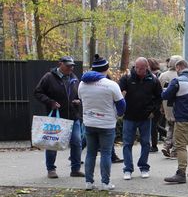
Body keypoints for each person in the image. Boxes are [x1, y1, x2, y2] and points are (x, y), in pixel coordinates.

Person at [78, 57, 126, 190]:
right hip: (107, 124)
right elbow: (121, 105)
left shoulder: (82, 84)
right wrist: (117, 114)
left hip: (89, 123)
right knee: (105, 153)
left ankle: (89, 182)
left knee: (90, 153)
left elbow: (81, 99)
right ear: (106, 69)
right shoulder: (111, 85)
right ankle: (105, 183)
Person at [33, 56, 84, 179]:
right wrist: (50, 102)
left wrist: (79, 100)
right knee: (52, 143)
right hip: (56, 118)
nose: (70, 68)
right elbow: (38, 92)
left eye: (72, 66)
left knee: (77, 142)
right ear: (60, 64)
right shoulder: (48, 77)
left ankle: (75, 169)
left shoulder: (73, 77)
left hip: (73, 117)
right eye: (68, 66)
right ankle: (51, 169)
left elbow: (79, 94)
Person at [118, 57, 162, 180]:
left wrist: (153, 111)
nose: (139, 70)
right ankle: (128, 169)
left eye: (141, 68)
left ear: (147, 67)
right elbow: (116, 91)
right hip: (129, 116)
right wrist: (120, 105)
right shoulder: (127, 78)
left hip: (145, 117)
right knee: (127, 143)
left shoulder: (153, 80)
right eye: (137, 68)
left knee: (145, 143)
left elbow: (159, 97)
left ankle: (144, 167)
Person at [161, 59, 188, 184]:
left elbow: (165, 96)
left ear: (178, 67)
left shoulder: (177, 81)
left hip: (183, 119)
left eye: (175, 68)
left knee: (180, 146)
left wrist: (164, 89)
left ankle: (181, 173)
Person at [160, 56, 180, 158]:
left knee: (170, 125)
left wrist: (161, 107)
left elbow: (159, 92)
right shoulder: (180, 75)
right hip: (178, 104)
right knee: (178, 128)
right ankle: (174, 150)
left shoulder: (162, 75)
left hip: (165, 104)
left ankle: (166, 145)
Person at [147, 58, 165, 152]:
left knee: (154, 125)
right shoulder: (155, 74)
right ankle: (168, 136)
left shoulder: (158, 75)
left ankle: (154, 146)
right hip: (156, 103)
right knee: (155, 125)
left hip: (157, 103)